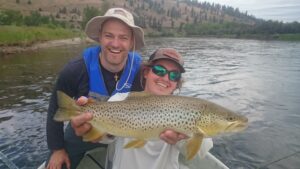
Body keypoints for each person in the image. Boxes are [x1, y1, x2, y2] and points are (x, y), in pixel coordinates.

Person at [46, 8, 184, 169]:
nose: (115, 44)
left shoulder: (141, 71)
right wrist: (57, 149)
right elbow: (55, 108)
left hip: (123, 128)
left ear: (132, 42)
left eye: (123, 37)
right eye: (109, 35)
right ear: (100, 37)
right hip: (83, 126)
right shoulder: (75, 70)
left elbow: (157, 98)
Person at [71, 48, 213, 169]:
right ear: (146, 73)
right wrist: (88, 125)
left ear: (177, 83)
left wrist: (181, 138)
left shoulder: (186, 109)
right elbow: (104, 138)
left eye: (174, 75)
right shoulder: (120, 99)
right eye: (159, 70)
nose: (165, 78)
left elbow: (201, 151)